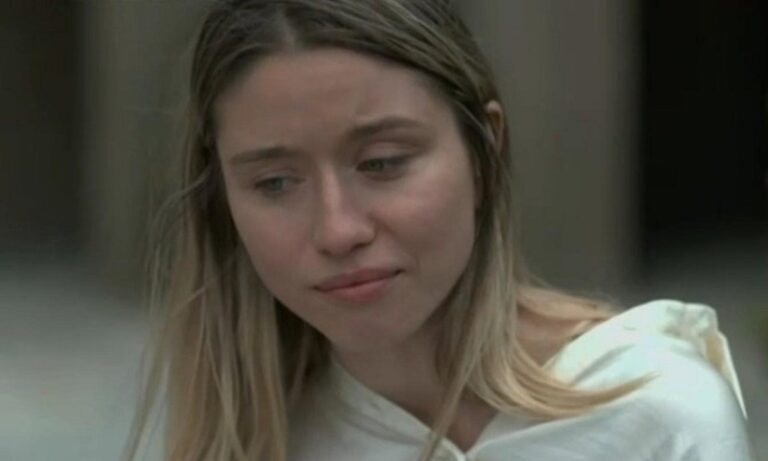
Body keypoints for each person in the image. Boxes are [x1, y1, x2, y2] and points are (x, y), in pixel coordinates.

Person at [124, 1, 755, 460]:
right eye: (275, 183)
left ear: (484, 150)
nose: (338, 230)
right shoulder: (258, 440)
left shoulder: (655, 413)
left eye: (382, 163)